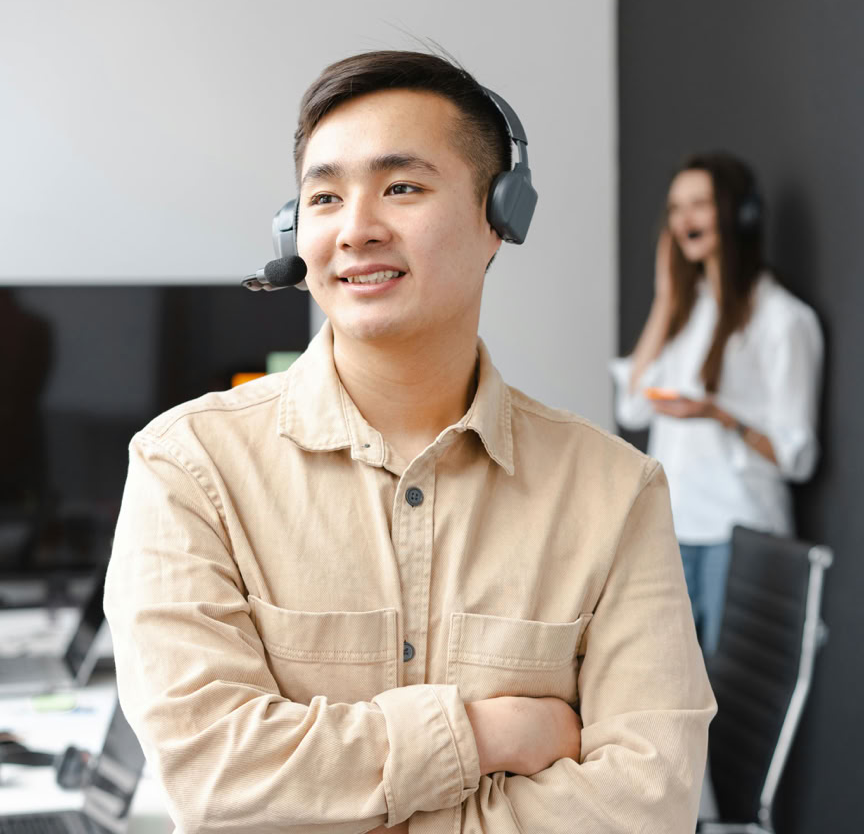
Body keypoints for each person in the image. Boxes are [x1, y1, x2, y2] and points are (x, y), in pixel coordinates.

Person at [105, 51, 715, 834]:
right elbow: (217, 784)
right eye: (324, 196)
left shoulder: (615, 492)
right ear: (296, 232)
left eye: (402, 187)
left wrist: (333, 801)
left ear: (500, 217)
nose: (356, 229)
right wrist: (486, 736)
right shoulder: (185, 469)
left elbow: (648, 804)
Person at [610, 152, 823, 657]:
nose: (684, 219)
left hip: (738, 531)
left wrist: (719, 415)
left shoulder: (783, 321)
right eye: (676, 208)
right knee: (670, 692)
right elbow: (633, 409)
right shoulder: (686, 313)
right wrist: (664, 298)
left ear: (738, 214)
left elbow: (799, 457)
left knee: (732, 694)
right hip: (673, 528)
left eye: (699, 204)